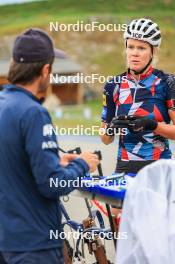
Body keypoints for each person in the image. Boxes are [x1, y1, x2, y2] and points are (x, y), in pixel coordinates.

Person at [0, 28, 99, 264]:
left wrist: (55, 161)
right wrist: (83, 164)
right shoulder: (34, 112)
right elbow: (52, 184)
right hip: (34, 245)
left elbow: (14, 163)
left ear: (14, 63)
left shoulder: (4, 104)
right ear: (45, 70)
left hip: (7, 239)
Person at [100, 18, 175, 175]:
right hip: (125, 167)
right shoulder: (113, 85)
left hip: (160, 167)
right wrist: (111, 129)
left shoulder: (167, 83)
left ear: (153, 52)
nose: (134, 53)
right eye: (131, 47)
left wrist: (153, 125)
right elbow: (105, 140)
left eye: (141, 48)